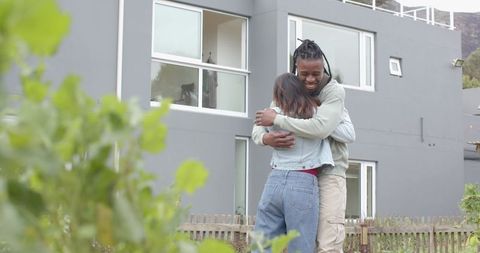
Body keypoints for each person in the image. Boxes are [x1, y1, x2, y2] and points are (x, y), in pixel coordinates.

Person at [252, 39, 355, 253]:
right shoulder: (289, 88)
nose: (310, 80)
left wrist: (281, 120)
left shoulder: (333, 92)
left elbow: (321, 128)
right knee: (298, 244)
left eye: (316, 74)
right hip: (297, 175)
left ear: (323, 68)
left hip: (330, 170)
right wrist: (265, 139)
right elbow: (262, 122)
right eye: (304, 74)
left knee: (327, 243)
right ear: (296, 69)